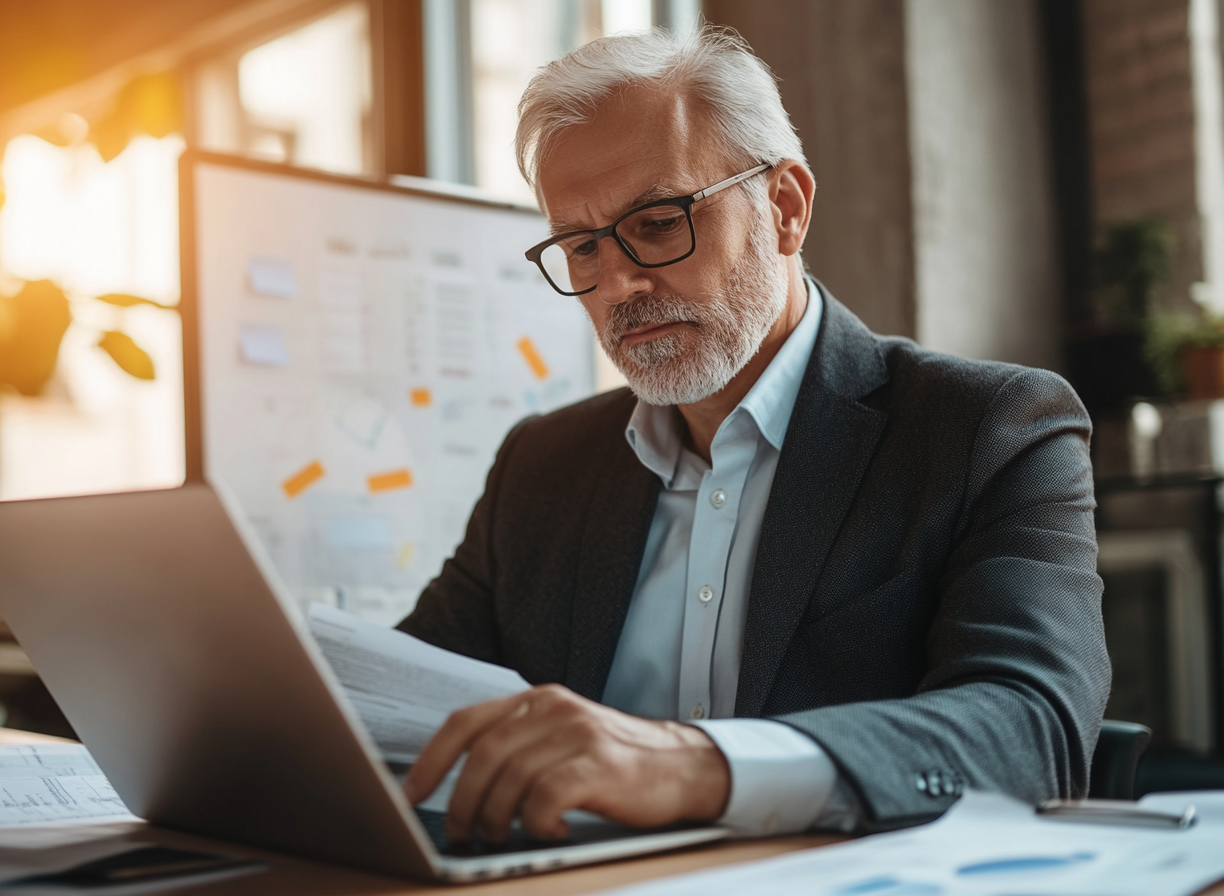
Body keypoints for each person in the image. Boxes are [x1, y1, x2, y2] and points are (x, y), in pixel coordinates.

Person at [397, 26, 1110, 844]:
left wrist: (692, 765)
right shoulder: (542, 466)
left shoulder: (990, 429)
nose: (619, 283)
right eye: (582, 245)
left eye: (659, 222)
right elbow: (406, 700)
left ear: (785, 207)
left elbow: (1032, 731)